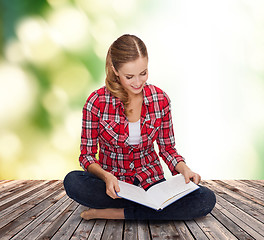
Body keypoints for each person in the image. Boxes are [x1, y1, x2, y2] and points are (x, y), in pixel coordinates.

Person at [63, 34, 216, 220]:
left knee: (205, 198)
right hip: (115, 185)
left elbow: (167, 149)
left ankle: (118, 213)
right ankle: (150, 211)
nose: (138, 83)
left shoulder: (160, 99)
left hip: (151, 182)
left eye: (143, 73)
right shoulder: (96, 102)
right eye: (129, 76)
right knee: (72, 181)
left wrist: (184, 169)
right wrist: (106, 177)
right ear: (115, 70)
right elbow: (86, 156)